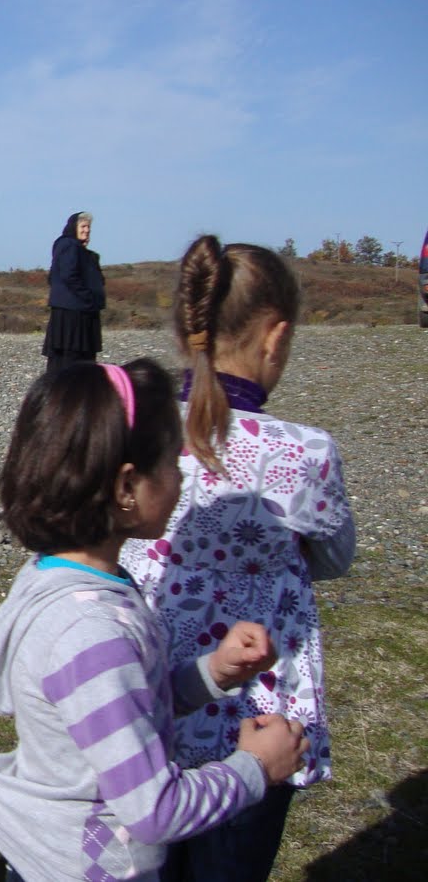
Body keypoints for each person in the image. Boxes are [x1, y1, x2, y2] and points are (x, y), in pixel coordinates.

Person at [0, 359, 310, 882]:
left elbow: (124, 710)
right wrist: (255, 768)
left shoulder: (58, 579)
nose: (180, 478)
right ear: (125, 487)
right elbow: (154, 811)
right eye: (173, 462)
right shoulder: (92, 632)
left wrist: (213, 672)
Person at [121, 237, 356, 882]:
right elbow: (335, 557)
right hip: (258, 709)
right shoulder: (307, 452)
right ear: (276, 338)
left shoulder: (138, 430)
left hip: (143, 691)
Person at [42, 211, 106, 374]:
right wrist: (88, 297)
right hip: (73, 314)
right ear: (73, 227)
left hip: (80, 312)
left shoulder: (78, 249)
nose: (87, 230)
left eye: (89, 227)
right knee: (70, 359)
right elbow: (68, 275)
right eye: (83, 226)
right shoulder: (68, 245)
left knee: (78, 361)